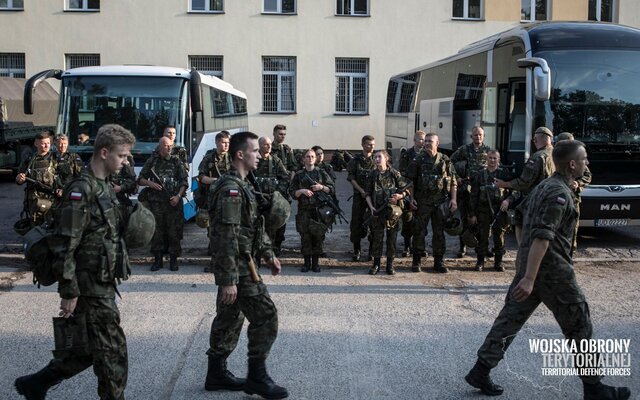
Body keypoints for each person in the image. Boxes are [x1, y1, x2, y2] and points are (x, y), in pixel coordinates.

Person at [465, 140, 631, 400]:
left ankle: (480, 370)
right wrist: (531, 276)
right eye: (584, 159)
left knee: (509, 321)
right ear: (572, 164)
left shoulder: (546, 185)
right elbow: (543, 237)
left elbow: (518, 217)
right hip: (552, 273)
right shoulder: (559, 193)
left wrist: (525, 259)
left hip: (531, 268)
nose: (587, 163)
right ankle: (594, 388)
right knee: (580, 326)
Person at [14, 124, 136, 400]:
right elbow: (65, 244)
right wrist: (68, 291)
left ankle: (36, 384)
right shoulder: (81, 190)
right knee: (113, 355)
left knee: (86, 350)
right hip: (88, 286)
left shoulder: (103, 186)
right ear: (104, 153)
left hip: (101, 282)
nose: (126, 161)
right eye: (122, 156)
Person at [205, 131, 288, 399]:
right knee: (266, 316)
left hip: (243, 261)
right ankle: (257, 377)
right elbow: (226, 236)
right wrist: (229, 279)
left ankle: (216, 374)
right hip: (239, 267)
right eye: (254, 151)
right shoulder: (231, 189)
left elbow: (250, 227)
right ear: (240, 154)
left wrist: (267, 253)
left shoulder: (243, 185)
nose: (259, 155)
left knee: (230, 318)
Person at [406, 132, 457, 273]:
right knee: (419, 231)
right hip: (422, 203)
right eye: (426, 141)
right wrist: (411, 199)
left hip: (440, 203)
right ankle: (416, 261)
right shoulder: (418, 160)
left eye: (430, 141)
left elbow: (453, 181)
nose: (427, 143)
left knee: (439, 232)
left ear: (437, 143)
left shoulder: (445, 160)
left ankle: (439, 262)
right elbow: (410, 182)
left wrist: (453, 200)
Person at [495, 126, 555, 244]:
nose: (534, 142)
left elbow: (524, 182)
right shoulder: (556, 154)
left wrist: (504, 184)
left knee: (519, 220)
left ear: (537, 140)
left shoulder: (538, 157)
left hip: (536, 199)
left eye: (534, 139)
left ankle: (524, 250)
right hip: (551, 199)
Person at [138, 137, 188, 271]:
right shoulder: (152, 161)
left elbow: (184, 182)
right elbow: (140, 179)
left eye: (170, 146)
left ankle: (173, 260)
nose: (169, 148)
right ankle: (158, 260)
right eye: (166, 146)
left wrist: (178, 196)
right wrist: (150, 183)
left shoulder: (176, 161)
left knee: (174, 232)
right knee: (157, 232)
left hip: (173, 202)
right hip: (156, 203)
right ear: (160, 147)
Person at [365, 150, 411, 275]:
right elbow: (367, 194)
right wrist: (371, 207)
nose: (377, 159)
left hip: (392, 212)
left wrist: (398, 196)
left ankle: (390, 265)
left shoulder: (394, 173)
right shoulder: (372, 175)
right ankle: (376, 264)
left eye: (379, 157)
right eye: (375, 157)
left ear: (386, 158)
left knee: (392, 238)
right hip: (377, 211)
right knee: (377, 238)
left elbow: (406, 190)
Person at [290, 149, 335, 273]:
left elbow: (332, 189)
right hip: (304, 210)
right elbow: (292, 192)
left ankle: (315, 264)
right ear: (304, 159)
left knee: (318, 237)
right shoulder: (299, 175)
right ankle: (306, 263)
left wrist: (321, 187)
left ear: (315, 159)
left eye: (312, 156)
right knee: (305, 236)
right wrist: (302, 191)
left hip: (318, 211)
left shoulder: (321, 173)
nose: (310, 158)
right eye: (307, 156)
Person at [450, 126, 492, 258]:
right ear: (471, 137)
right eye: (475, 135)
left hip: (483, 191)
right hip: (466, 190)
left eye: (480, 135)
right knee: (464, 218)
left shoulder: (489, 151)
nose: (478, 137)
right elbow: (450, 162)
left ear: (484, 136)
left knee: (482, 220)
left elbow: (495, 167)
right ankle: (462, 247)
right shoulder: (464, 150)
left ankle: (482, 247)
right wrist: (457, 178)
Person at [468, 149, 513, 271]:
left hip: (500, 211)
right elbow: (473, 195)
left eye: (495, 158)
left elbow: (514, 190)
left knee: (499, 237)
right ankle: (480, 261)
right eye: (490, 158)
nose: (492, 160)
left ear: (498, 160)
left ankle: (498, 262)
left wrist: (507, 201)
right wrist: (472, 214)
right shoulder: (479, 175)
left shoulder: (504, 174)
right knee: (482, 237)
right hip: (483, 211)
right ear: (486, 159)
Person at [198, 130, 232, 267]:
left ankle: (228, 262)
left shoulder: (234, 158)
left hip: (230, 201)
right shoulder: (209, 158)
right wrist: (215, 181)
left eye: (228, 143)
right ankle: (215, 262)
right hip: (213, 200)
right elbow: (201, 177)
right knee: (213, 231)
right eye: (223, 143)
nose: (226, 145)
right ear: (217, 143)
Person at [556, 132, 592, 253]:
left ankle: (569, 255)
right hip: (555, 198)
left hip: (572, 199)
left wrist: (578, 183)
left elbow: (587, 175)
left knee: (571, 230)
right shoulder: (552, 157)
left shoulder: (576, 158)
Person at [254, 136, 291, 256]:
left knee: (274, 226)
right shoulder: (253, 160)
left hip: (272, 200)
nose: (269, 146)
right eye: (266, 144)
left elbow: (285, 178)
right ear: (259, 146)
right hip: (256, 200)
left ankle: (273, 249)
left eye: (270, 144)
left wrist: (276, 194)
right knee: (256, 225)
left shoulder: (275, 161)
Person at [15, 131, 59, 227]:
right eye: (43, 143)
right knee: (36, 226)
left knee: (53, 225)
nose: (46, 146)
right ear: (36, 144)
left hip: (52, 198)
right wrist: (20, 179)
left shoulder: (56, 158)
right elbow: (20, 177)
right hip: (35, 200)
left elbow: (64, 177)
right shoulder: (29, 159)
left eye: (48, 143)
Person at [346, 135, 376, 262]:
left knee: (373, 223)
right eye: (369, 144)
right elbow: (351, 178)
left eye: (373, 144)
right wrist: (361, 191)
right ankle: (357, 250)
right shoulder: (355, 160)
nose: (371, 147)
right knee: (356, 223)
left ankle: (371, 251)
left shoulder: (377, 159)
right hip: (359, 196)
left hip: (374, 197)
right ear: (363, 145)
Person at [398, 130, 426, 257]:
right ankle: (407, 246)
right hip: (408, 191)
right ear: (414, 140)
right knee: (408, 220)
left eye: (424, 139)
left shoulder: (427, 155)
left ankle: (420, 246)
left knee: (422, 221)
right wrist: (408, 193)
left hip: (423, 193)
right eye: (420, 139)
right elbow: (402, 175)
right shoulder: (406, 155)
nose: (422, 142)